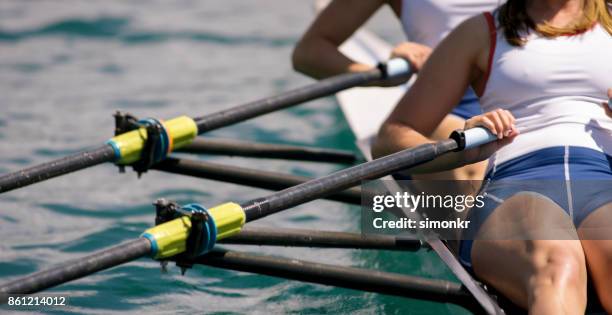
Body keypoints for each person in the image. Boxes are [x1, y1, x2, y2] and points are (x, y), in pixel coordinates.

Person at [372, 0, 612, 313]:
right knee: (557, 263)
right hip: (517, 186)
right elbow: (390, 136)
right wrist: (459, 152)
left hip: (602, 181)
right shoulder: (479, 32)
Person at [292, 0, 503, 181]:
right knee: (478, 164)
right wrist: (379, 75)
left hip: (524, 103)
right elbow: (309, 52)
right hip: (444, 108)